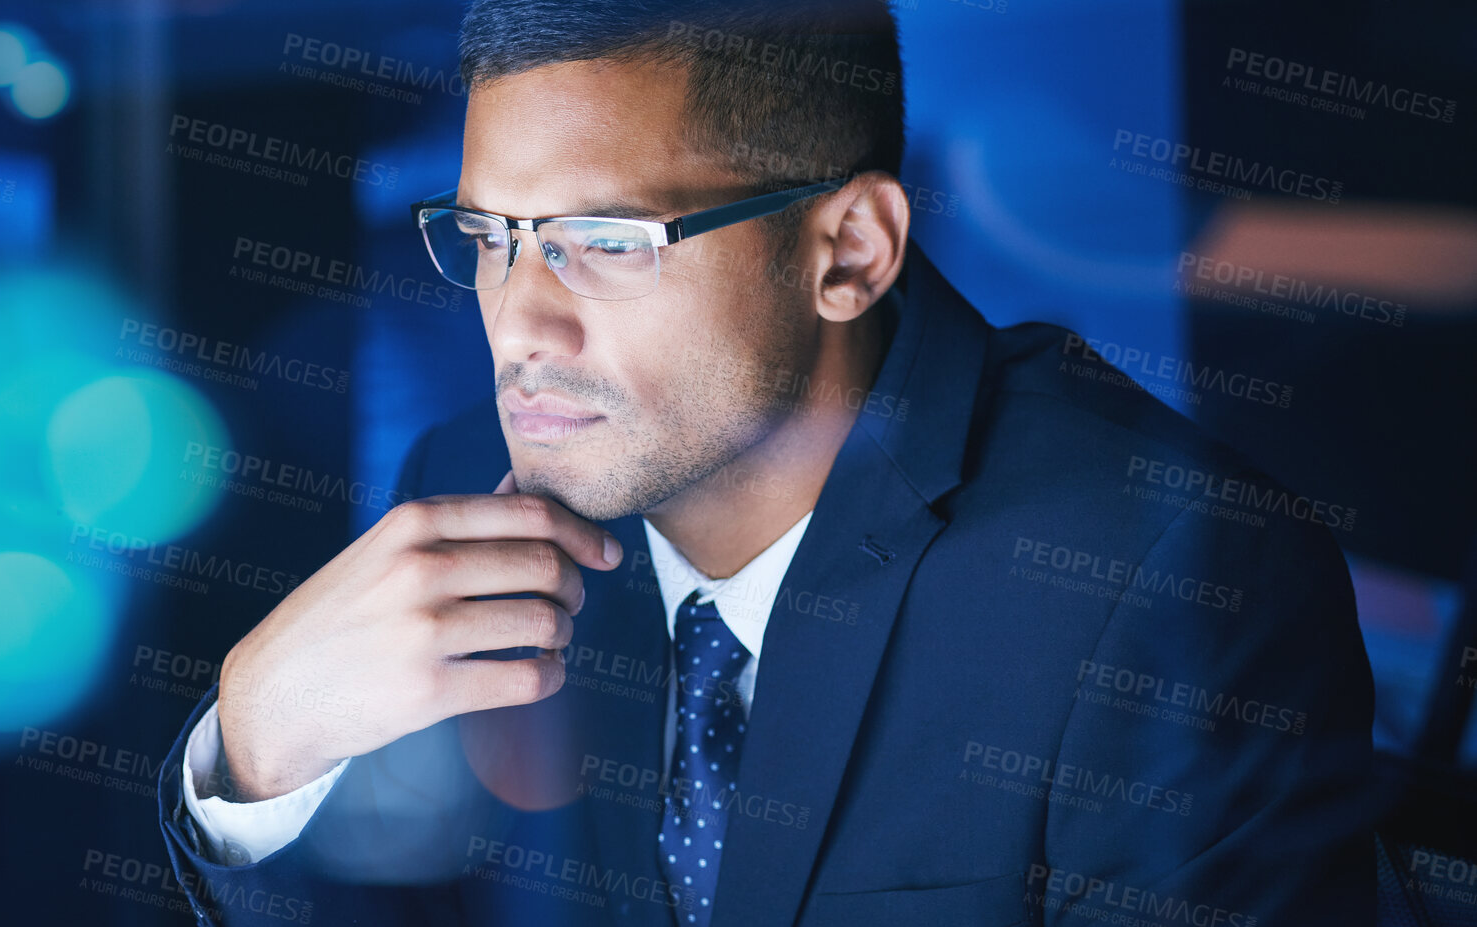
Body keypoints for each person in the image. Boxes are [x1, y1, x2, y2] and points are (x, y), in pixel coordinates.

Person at [155, 1, 1377, 924]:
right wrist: (256, 752)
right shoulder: (466, 488)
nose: (519, 325)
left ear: (846, 249)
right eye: (490, 237)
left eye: (602, 241)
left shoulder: (1160, 578)